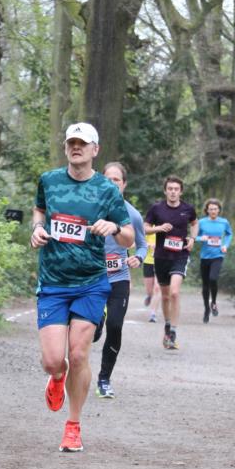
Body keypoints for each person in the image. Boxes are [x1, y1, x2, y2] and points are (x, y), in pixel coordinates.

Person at [30, 124, 134, 452]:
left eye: (82, 143)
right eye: (71, 143)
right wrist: (36, 228)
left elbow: (129, 236)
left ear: (94, 150)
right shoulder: (49, 180)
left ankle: (73, 425)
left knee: (78, 354)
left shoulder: (107, 190)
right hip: (53, 281)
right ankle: (56, 378)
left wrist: (115, 226)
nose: (76, 148)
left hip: (91, 282)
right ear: (66, 148)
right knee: (52, 360)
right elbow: (40, 210)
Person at [94, 162, 147, 399]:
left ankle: (104, 379)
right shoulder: (91, 208)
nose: (112, 183)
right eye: (108, 179)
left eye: (117, 179)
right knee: (92, 332)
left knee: (115, 327)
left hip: (119, 278)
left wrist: (139, 257)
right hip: (92, 278)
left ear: (124, 184)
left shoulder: (132, 215)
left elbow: (143, 245)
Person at [144, 177, 197, 350]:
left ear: (181, 191)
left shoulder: (187, 209)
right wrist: (158, 228)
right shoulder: (156, 208)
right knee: (165, 296)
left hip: (180, 255)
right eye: (170, 188)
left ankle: (173, 331)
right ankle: (167, 324)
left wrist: (192, 238)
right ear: (165, 191)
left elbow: (195, 223)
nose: (173, 191)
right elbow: (144, 227)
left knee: (174, 292)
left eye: (176, 189)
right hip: (161, 257)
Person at [195, 198, 233, 322]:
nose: (213, 211)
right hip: (205, 257)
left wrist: (225, 245)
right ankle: (206, 308)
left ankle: (214, 302)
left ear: (219, 210)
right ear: (207, 210)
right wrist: (202, 238)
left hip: (218, 255)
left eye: (215, 209)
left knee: (213, 278)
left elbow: (229, 234)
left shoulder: (224, 222)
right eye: (211, 209)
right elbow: (194, 237)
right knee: (205, 285)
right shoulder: (201, 222)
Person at [142, 234, 161, 322]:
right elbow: (140, 242)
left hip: (161, 260)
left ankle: (153, 314)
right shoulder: (148, 226)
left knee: (157, 288)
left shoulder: (165, 227)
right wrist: (149, 244)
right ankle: (149, 296)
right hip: (148, 261)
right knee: (149, 290)